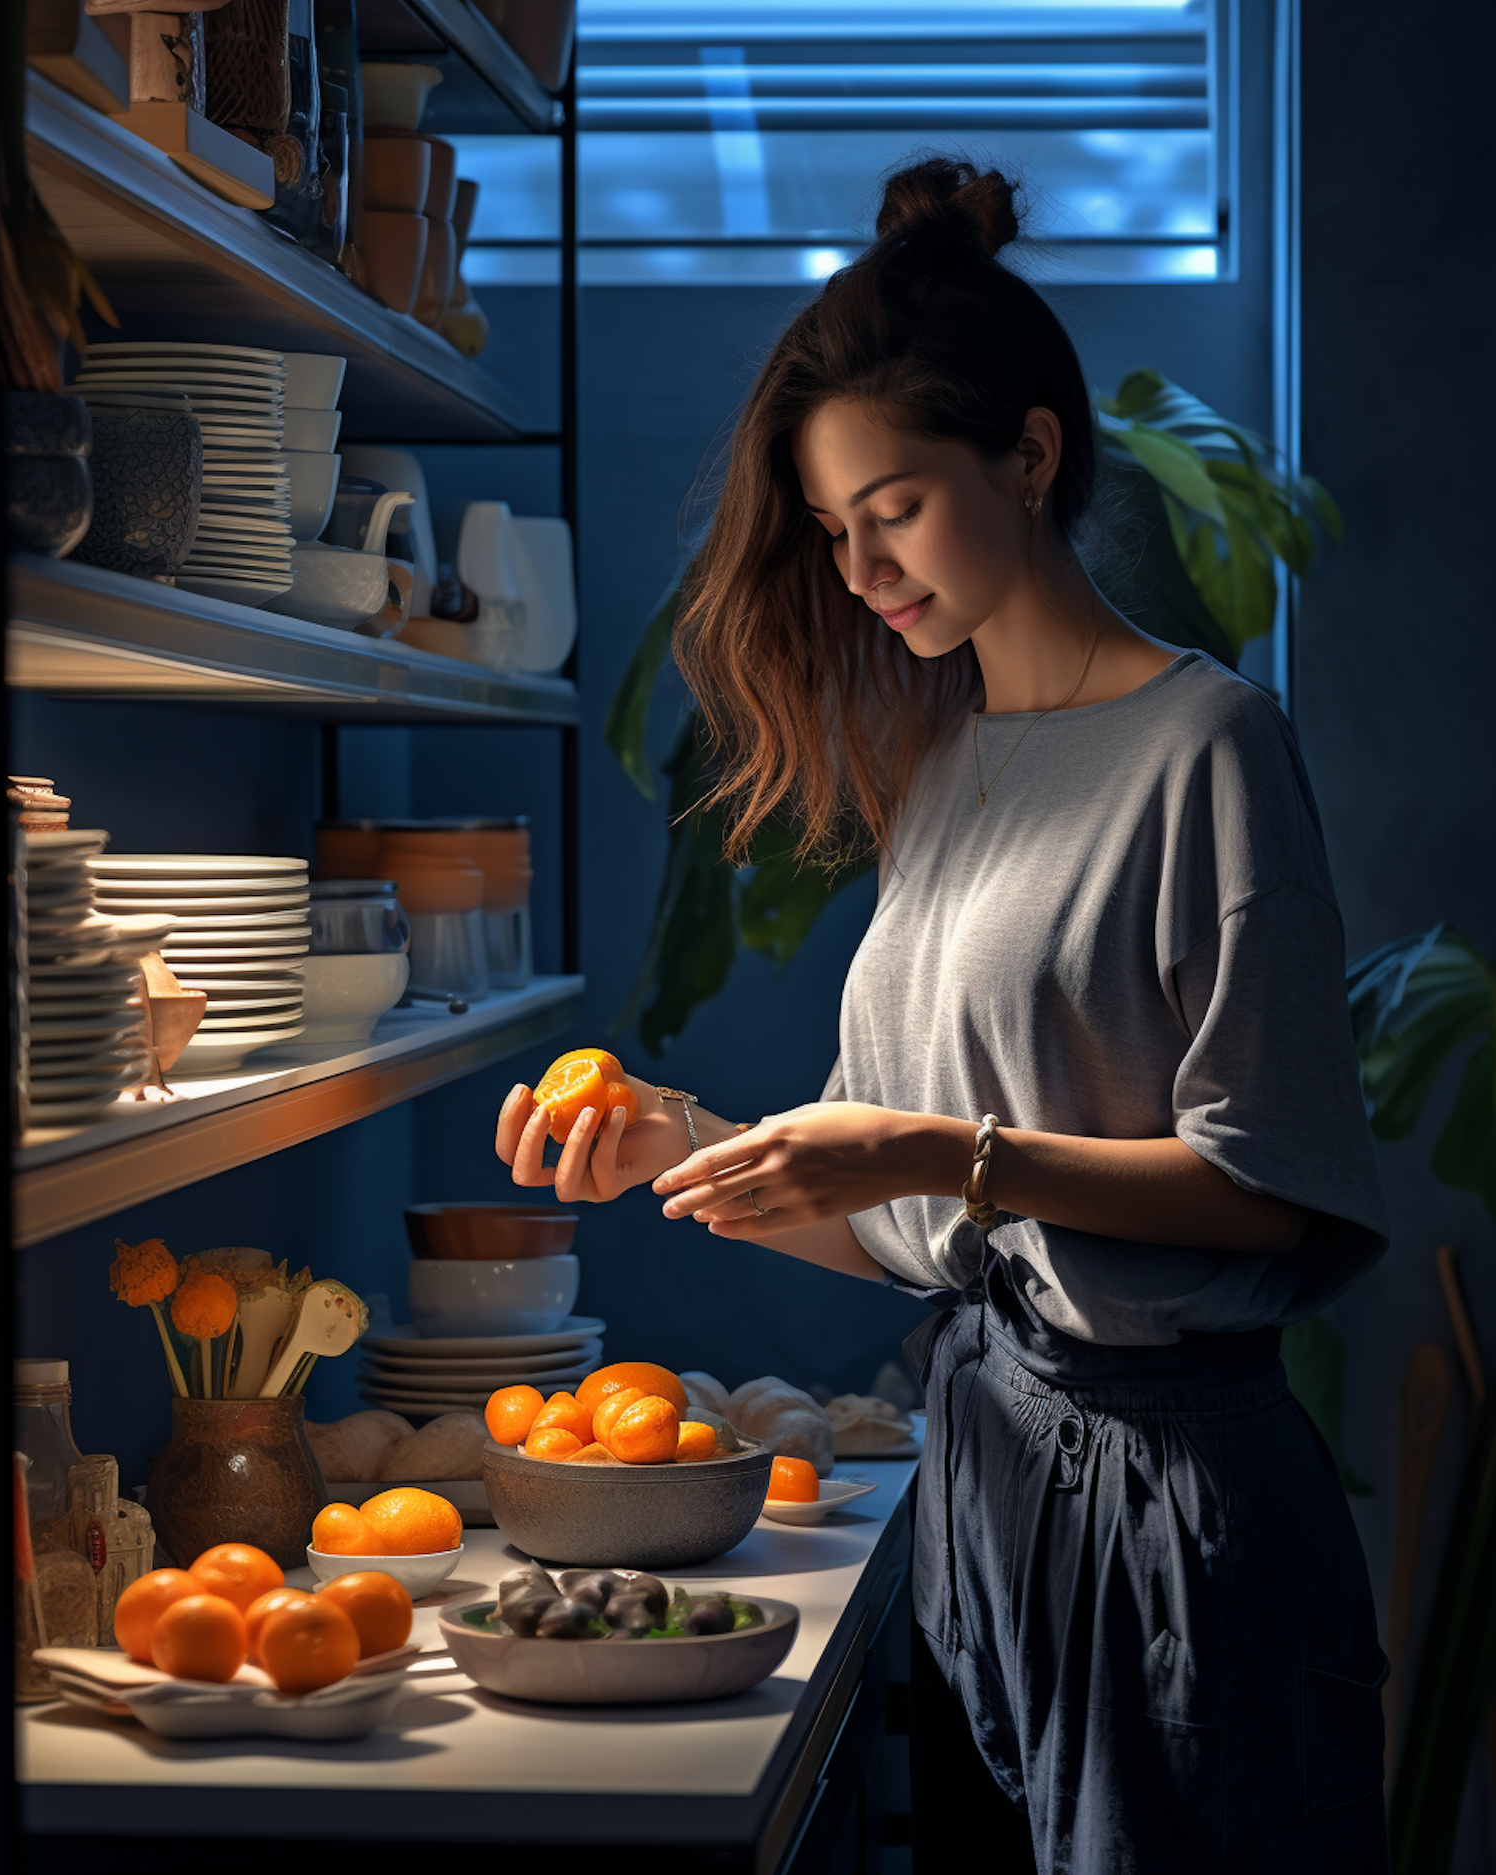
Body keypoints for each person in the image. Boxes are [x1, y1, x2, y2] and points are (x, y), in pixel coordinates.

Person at [496, 157, 1391, 1874]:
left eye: (891, 508)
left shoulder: (1210, 747)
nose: (857, 568)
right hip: (984, 1490)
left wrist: (942, 1147)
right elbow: (915, 1226)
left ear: (1032, 455)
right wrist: (685, 1142)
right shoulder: (939, 772)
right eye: (835, 532)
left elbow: (1268, 1185)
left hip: (1174, 1526)